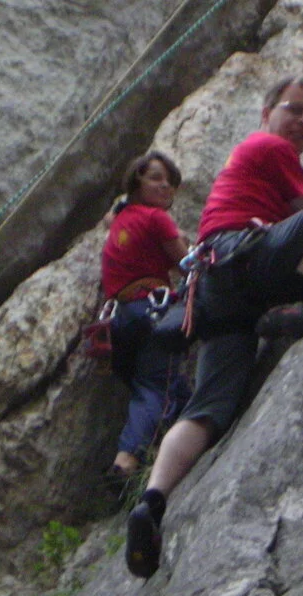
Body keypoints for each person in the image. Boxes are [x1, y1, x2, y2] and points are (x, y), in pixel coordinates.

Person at [126, 75, 303, 578]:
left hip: (217, 292)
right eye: (295, 109)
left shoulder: (259, 160)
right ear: (266, 113)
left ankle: (152, 502)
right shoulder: (268, 145)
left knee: (209, 410)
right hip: (243, 259)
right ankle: (285, 303)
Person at [100, 151, 192, 492]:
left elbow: (114, 214)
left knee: (174, 391)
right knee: (154, 386)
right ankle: (126, 462)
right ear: (137, 181)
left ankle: (178, 444)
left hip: (121, 319)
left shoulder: (122, 217)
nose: (165, 185)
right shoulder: (156, 219)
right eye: (155, 177)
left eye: (170, 181)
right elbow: (189, 265)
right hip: (153, 311)